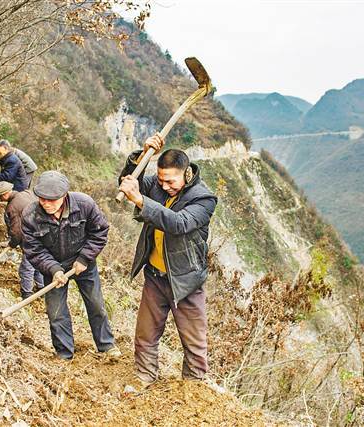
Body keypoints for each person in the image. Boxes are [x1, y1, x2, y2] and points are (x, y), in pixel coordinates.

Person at [118, 133, 218, 387]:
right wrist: (141, 157)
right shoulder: (158, 186)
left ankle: (193, 387)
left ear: (186, 174)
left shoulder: (203, 198)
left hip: (185, 280)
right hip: (154, 275)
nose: (164, 187)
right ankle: (144, 376)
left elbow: (179, 223)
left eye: (170, 181)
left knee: (194, 340)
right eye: (161, 180)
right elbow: (132, 182)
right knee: (145, 334)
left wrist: (140, 200)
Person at [22, 171, 120, 360]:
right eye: (42, 199)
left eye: (52, 200)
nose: (46, 203)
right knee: (56, 312)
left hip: (83, 263)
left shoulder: (84, 205)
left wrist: (84, 259)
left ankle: (106, 345)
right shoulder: (30, 215)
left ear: (64, 195)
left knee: (96, 304)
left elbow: (99, 233)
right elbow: (33, 250)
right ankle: (64, 354)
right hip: (52, 266)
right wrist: (54, 269)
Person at [0, 181, 44, 299]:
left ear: (4, 194)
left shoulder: (12, 208)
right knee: (39, 263)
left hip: (31, 238)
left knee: (26, 268)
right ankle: (42, 288)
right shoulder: (25, 193)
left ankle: (27, 295)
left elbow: (17, 231)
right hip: (43, 233)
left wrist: (12, 243)